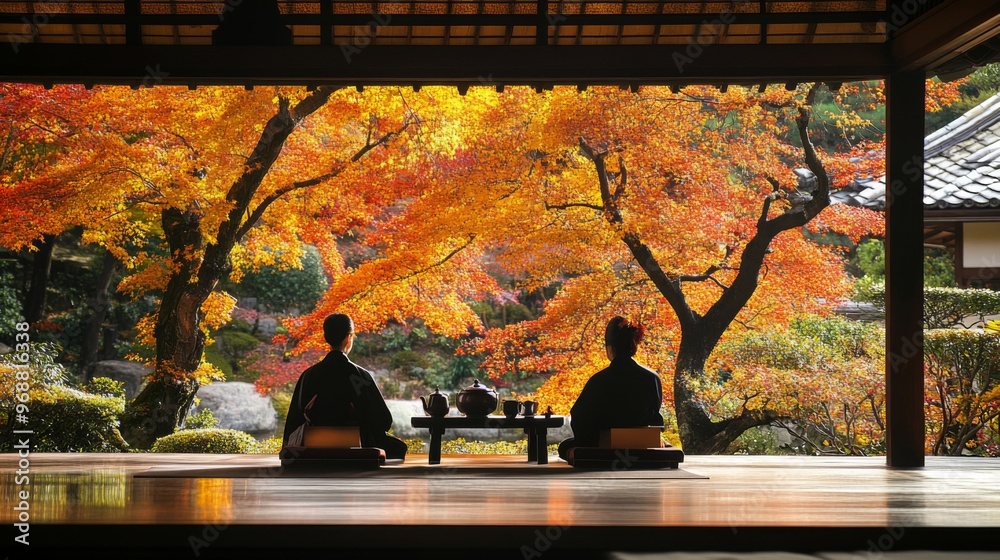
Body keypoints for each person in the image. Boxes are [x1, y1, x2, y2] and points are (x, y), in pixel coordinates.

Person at [282, 313, 407, 460]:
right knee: (398, 448)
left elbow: (294, 422)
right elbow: (383, 421)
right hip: (357, 448)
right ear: (348, 338)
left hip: (313, 449)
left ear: (326, 337)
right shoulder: (359, 375)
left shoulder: (309, 375)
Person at [558, 316, 664, 461]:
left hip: (603, 445)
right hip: (640, 445)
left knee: (565, 446)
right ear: (633, 346)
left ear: (610, 348)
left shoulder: (599, 379)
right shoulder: (652, 378)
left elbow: (579, 417)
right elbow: (655, 415)